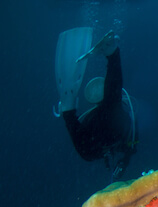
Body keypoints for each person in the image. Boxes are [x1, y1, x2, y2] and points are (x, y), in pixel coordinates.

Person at [55, 29, 137, 180]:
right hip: (103, 140)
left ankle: (67, 109)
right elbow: (131, 146)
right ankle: (112, 54)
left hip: (93, 147)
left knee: (83, 138)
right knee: (111, 105)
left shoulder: (104, 112)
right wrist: (124, 161)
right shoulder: (116, 110)